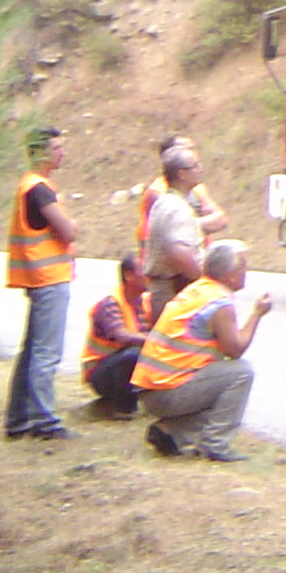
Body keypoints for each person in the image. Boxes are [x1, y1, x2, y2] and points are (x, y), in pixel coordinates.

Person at [132, 239, 273, 462]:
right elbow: (236, 350)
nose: (246, 270)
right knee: (240, 373)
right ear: (230, 275)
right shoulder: (219, 302)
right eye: (243, 265)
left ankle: (171, 431)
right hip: (166, 391)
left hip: (152, 389)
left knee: (224, 389)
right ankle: (216, 444)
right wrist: (257, 314)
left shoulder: (198, 290)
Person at [4, 125, 78, 440]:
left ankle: (18, 419)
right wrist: (74, 223)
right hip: (49, 279)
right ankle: (44, 421)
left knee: (31, 350)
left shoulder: (31, 186)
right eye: (57, 147)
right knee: (46, 352)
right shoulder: (39, 189)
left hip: (38, 278)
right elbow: (69, 231)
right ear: (40, 152)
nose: (62, 152)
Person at [81, 252, 153, 416]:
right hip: (101, 373)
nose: (149, 273)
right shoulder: (110, 303)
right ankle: (122, 407)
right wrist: (155, 340)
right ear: (128, 275)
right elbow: (120, 335)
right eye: (144, 269)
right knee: (133, 355)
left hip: (119, 367)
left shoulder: (146, 302)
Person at [143, 145, 207, 321]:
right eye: (195, 166)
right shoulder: (177, 208)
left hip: (165, 290)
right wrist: (203, 283)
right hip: (175, 291)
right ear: (181, 174)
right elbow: (178, 253)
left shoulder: (166, 202)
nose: (200, 169)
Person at [134, 132, 227, 246]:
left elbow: (221, 219)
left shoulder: (197, 188)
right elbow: (172, 233)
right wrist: (200, 224)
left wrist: (188, 225)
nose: (192, 152)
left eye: (193, 148)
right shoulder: (157, 193)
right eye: (187, 149)